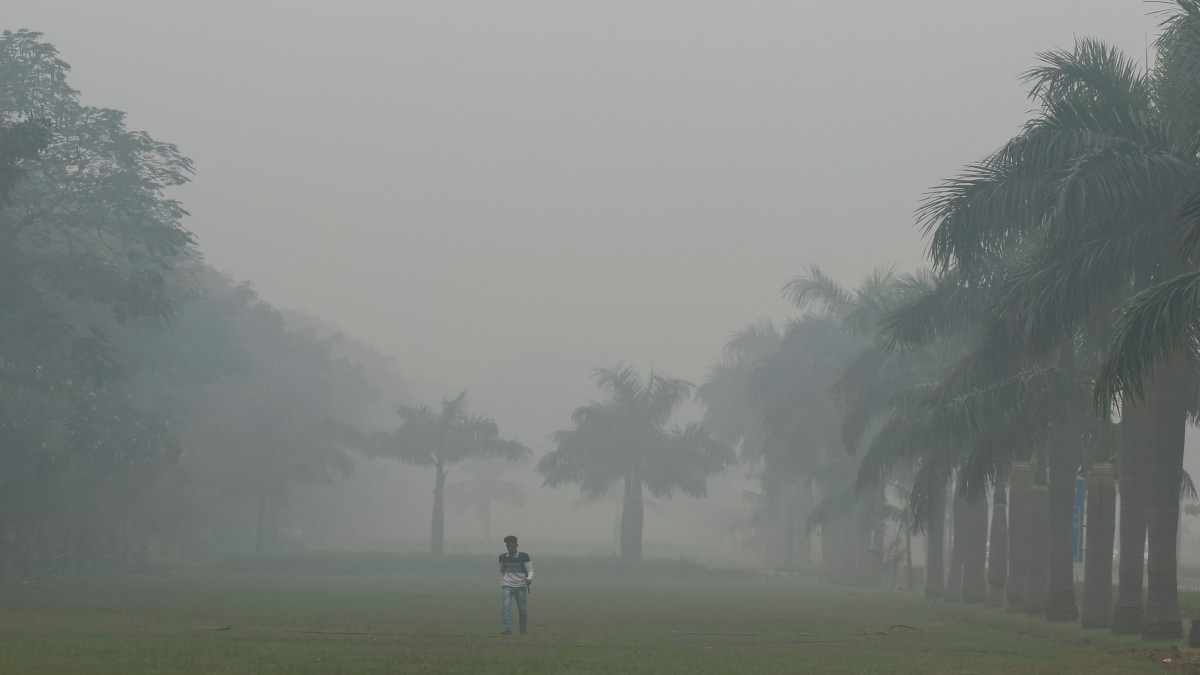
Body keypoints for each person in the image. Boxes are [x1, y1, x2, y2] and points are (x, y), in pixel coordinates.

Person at [499, 534, 533, 635]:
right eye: (508, 546)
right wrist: (502, 581)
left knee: (522, 610)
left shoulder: (524, 556)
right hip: (507, 585)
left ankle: (523, 629)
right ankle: (507, 629)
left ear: (516, 545)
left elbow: (530, 570)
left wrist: (529, 578)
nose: (510, 548)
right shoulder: (502, 557)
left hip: (520, 586)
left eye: (512, 546)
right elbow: (501, 570)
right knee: (506, 607)